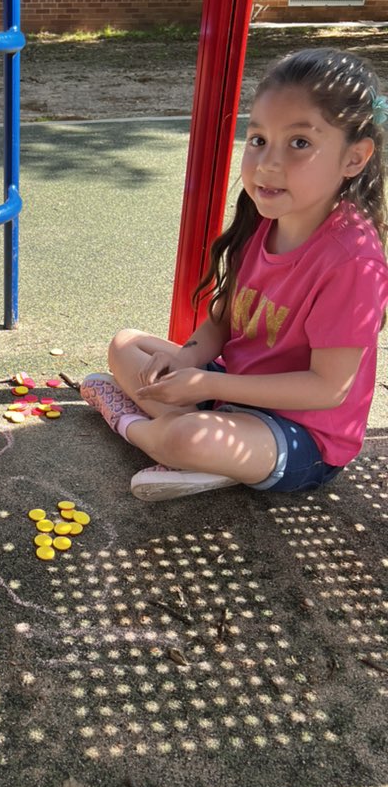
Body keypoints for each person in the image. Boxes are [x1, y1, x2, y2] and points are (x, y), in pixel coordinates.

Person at [81, 48, 388, 502]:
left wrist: (207, 384)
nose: (267, 163)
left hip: (302, 434)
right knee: (127, 345)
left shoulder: (354, 262)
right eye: (259, 139)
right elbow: (223, 320)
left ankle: (137, 427)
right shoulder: (265, 218)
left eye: (299, 143)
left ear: (354, 159)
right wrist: (187, 359)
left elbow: (328, 388)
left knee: (191, 437)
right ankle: (200, 451)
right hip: (232, 394)